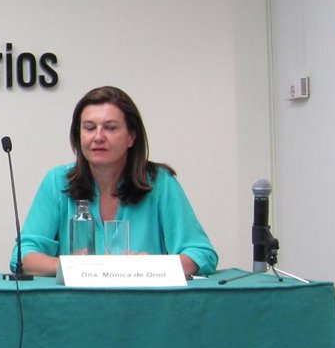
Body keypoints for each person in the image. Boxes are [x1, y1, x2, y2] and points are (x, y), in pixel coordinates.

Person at [13, 85, 217, 277]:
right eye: (89, 128)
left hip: (144, 300)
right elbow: (23, 256)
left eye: (110, 128)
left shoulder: (160, 182)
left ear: (131, 136)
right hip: (76, 301)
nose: (98, 137)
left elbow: (201, 255)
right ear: (78, 136)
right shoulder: (58, 181)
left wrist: (153, 265)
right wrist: (70, 267)